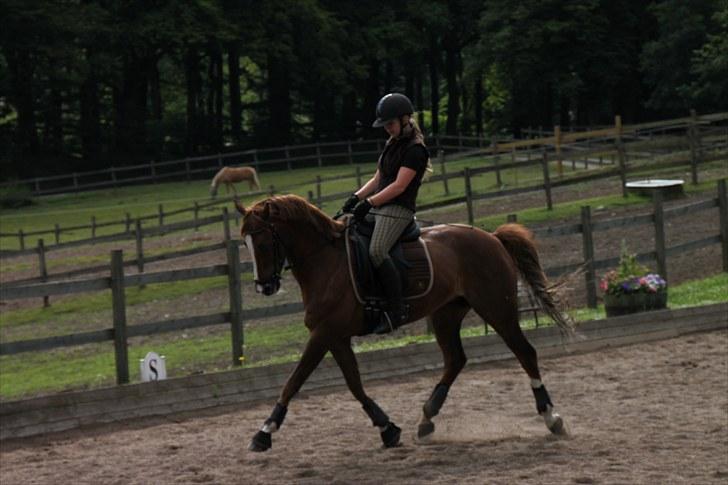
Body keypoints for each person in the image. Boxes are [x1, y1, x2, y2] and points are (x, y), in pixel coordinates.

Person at [340, 93, 430, 334]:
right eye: (385, 125)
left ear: (404, 119)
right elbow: (378, 178)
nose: (387, 129)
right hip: (381, 204)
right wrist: (356, 197)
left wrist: (369, 203)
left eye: (390, 124)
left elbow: (399, 186)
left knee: (377, 250)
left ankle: (396, 309)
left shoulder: (415, 150)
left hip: (398, 209)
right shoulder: (393, 143)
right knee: (350, 232)